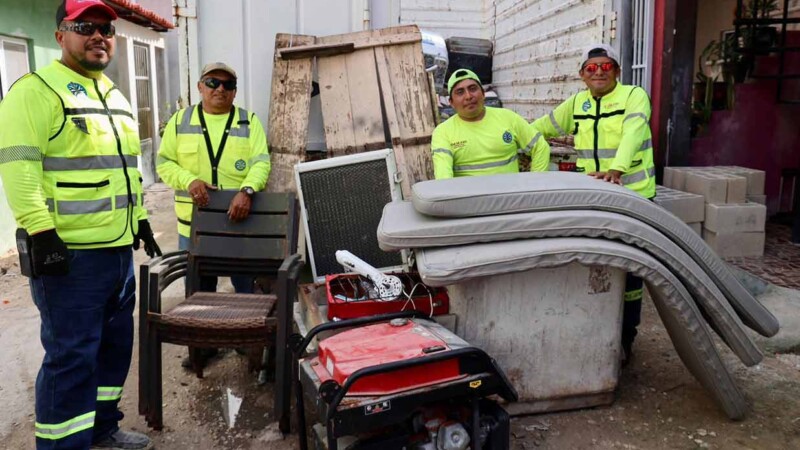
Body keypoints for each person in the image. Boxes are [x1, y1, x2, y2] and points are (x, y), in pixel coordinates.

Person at [0, 1, 161, 448]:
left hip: (117, 251)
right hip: (69, 258)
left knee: (113, 348)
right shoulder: (36, 91)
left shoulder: (114, 95)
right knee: (71, 358)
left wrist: (141, 220)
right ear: (60, 35)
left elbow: (126, 171)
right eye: (85, 26)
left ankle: (102, 429)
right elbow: (19, 167)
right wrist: (40, 231)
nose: (98, 35)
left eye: (106, 28)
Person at [532, 43, 656, 364]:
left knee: (630, 272)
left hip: (634, 198)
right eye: (591, 68)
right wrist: (508, 137)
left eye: (605, 67)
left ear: (617, 71)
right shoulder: (577, 103)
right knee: (594, 265)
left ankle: (626, 337)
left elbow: (633, 133)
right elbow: (539, 128)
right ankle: (594, 330)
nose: (598, 72)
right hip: (595, 200)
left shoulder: (633, 96)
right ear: (582, 75)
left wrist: (617, 169)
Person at [156, 62, 271, 367]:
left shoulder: (248, 121)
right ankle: (203, 346)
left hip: (239, 223)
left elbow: (261, 162)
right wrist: (188, 180)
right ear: (200, 87)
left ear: (234, 91)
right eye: (212, 82)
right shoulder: (180, 121)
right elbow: (164, 163)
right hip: (193, 226)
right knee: (199, 290)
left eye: (228, 84)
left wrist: (247, 190)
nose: (220, 89)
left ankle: (244, 340)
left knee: (244, 287)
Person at [431, 68, 550, 179]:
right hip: (470, 195)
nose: (468, 96)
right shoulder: (443, 132)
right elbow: (443, 176)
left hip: (510, 194)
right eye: (460, 92)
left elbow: (540, 147)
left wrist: (535, 184)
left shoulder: (508, 118)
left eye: (472, 89)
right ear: (451, 102)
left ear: (483, 94)